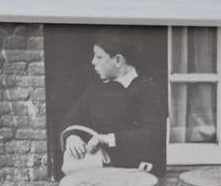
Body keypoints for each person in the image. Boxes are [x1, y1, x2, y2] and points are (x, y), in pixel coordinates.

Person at [60, 29, 167, 176]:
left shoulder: (148, 89)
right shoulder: (96, 88)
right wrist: (71, 137)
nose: (93, 62)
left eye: (99, 57)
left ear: (118, 60)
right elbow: (70, 119)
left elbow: (153, 135)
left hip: (136, 176)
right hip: (100, 174)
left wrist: (106, 139)